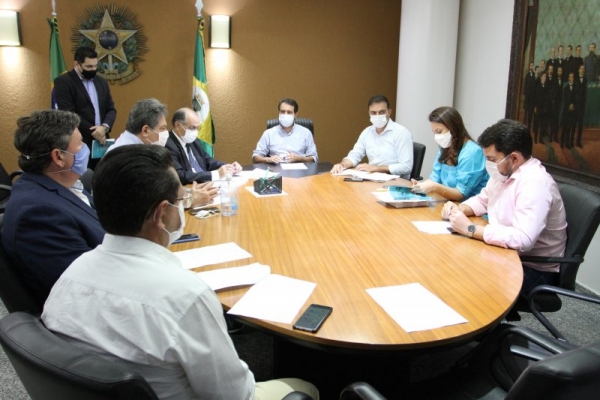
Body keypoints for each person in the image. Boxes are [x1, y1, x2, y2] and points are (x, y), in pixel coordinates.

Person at [42, 145, 320, 400]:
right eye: (181, 198)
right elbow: (234, 394)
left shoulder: (68, 277)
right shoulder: (187, 296)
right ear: (162, 214)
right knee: (304, 388)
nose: (183, 204)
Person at [442, 119, 567, 296]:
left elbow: (523, 239)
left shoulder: (535, 183)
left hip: (532, 268)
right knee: (450, 261)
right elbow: (483, 200)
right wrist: (460, 209)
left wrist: (470, 228)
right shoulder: (503, 172)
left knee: (463, 280)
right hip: (503, 252)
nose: (488, 164)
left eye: (492, 159)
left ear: (514, 158)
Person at [1, 110, 105, 305]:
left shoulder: (65, 185)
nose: (85, 149)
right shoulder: (38, 214)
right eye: (80, 143)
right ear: (58, 157)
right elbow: (88, 290)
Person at [54, 46, 116, 170]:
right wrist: (95, 132)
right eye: (88, 67)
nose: (93, 69)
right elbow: (68, 113)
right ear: (77, 64)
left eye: (95, 66)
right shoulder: (64, 82)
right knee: (84, 178)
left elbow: (111, 109)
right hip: (80, 142)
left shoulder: (101, 82)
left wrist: (104, 127)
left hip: (102, 141)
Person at [411, 107, 488, 201]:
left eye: (439, 131)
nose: (437, 136)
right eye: (434, 132)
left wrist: (434, 187)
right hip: (448, 202)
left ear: (453, 128)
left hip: (469, 207)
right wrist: (421, 186)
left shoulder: (472, 152)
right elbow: (435, 177)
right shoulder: (445, 147)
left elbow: (461, 194)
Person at [330, 94, 413, 178]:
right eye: (373, 113)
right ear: (369, 113)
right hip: (373, 177)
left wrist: (377, 168)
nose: (377, 116)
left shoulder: (401, 133)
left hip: (395, 181)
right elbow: (355, 155)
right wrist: (342, 165)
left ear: (389, 112)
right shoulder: (367, 132)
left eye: (381, 112)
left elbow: (406, 167)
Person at [166, 107, 242, 184]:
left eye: (197, 128)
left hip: (205, 185)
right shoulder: (168, 144)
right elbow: (180, 176)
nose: (195, 132)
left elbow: (208, 161)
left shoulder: (194, 141)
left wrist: (229, 167)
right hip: (189, 189)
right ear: (178, 125)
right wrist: (215, 174)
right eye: (192, 128)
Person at [252, 98, 318, 164]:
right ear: (279, 113)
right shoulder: (268, 133)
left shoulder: (306, 133)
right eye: (282, 112)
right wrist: (268, 159)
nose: (285, 115)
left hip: (300, 170)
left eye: (289, 112)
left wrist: (299, 158)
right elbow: (255, 157)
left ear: (295, 114)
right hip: (276, 170)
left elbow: (313, 158)